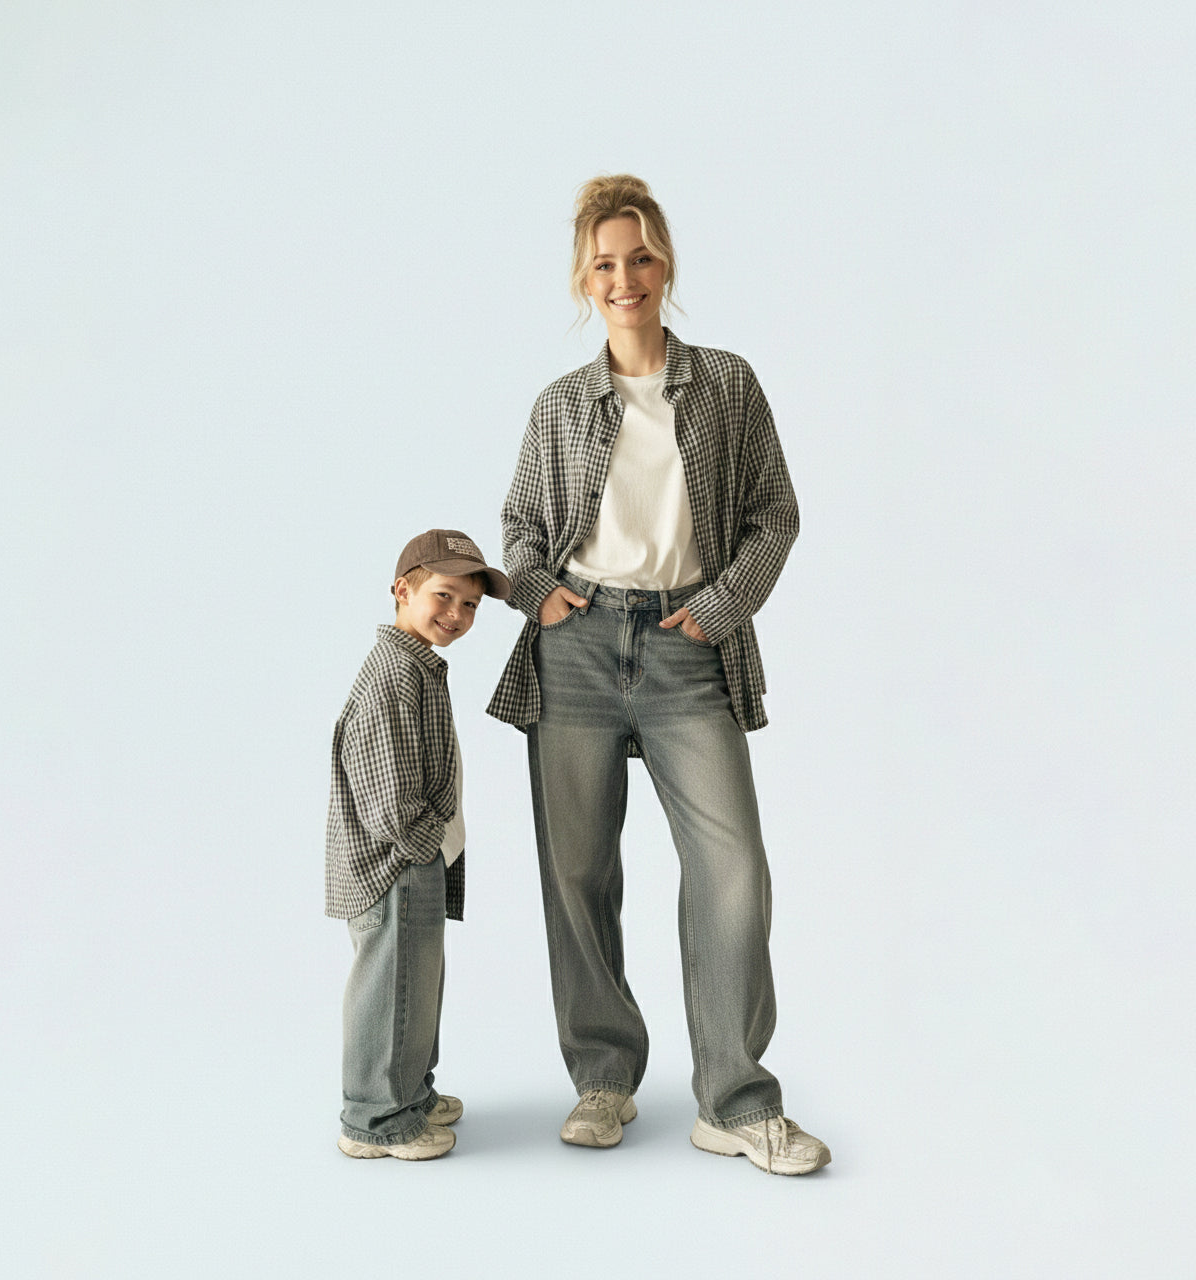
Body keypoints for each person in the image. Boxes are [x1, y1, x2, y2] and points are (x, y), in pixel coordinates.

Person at [488, 175, 831, 1176]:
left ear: (665, 261)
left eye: (639, 256)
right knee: (577, 872)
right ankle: (603, 1076)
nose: (623, 277)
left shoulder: (725, 384)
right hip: (577, 649)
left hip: (687, 645)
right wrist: (540, 594)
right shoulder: (560, 405)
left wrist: (721, 606)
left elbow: (774, 512)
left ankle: (735, 1099)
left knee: (733, 870)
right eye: (604, 262)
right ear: (582, 279)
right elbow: (520, 526)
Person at [327, 528, 510, 1161]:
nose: (457, 614)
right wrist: (425, 844)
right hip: (396, 863)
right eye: (444, 595)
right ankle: (375, 1120)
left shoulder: (419, 667)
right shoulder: (394, 676)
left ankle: (409, 1094)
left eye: (471, 605)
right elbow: (388, 798)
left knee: (415, 983)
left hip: (418, 859)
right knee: (392, 988)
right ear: (402, 590)